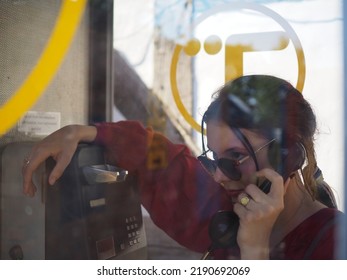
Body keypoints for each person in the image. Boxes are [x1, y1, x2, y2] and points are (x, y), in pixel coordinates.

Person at [22, 74, 343, 259]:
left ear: (287, 157)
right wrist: (85, 133)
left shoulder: (333, 245)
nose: (219, 175)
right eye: (215, 160)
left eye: (234, 159)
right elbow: (164, 163)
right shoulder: (226, 210)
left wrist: (255, 249)